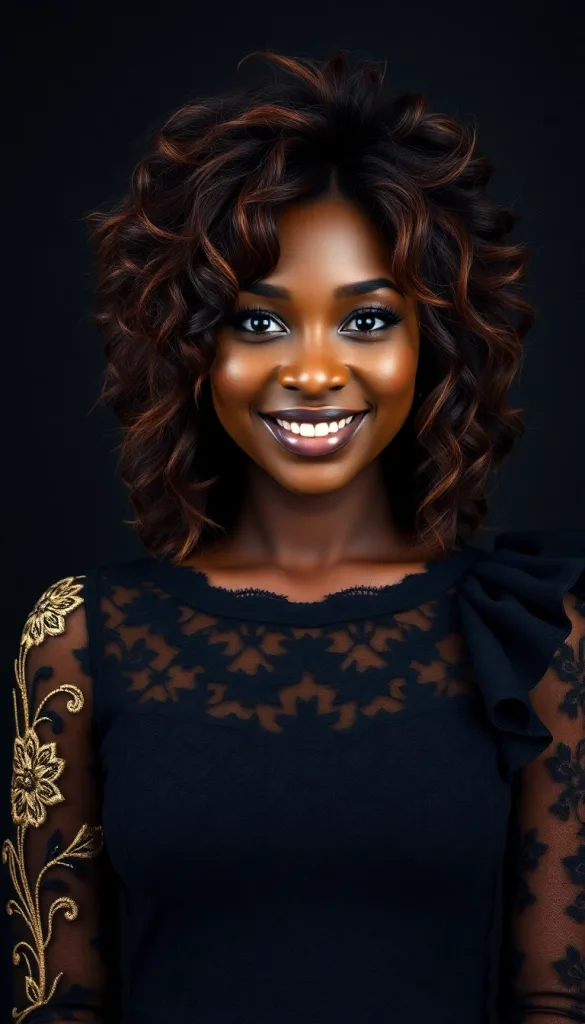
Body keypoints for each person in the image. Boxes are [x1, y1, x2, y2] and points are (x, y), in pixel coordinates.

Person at [4, 49, 585, 1024]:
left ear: (434, 343)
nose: (315, 371)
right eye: (260, 323)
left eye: (365, 318)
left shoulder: (532, 639)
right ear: (192, 349)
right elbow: (55, 1009)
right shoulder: (77, 639)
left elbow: (555, 1003)